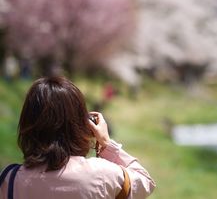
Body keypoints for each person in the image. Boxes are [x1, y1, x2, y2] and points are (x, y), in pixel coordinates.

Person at [0, 76, 155, 199]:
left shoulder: (9, 179)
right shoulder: (101, 173)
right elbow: (144, 183)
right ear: (80, 124)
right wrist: (106, 143)